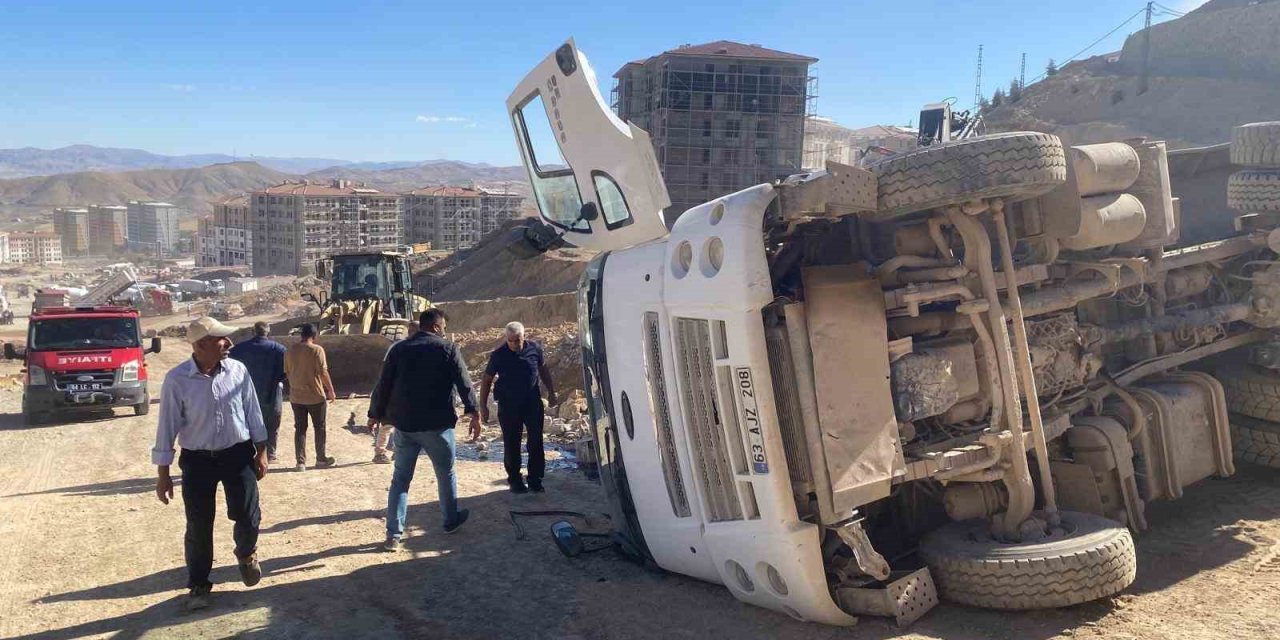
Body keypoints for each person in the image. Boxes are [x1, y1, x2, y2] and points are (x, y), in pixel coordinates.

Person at [152, 316, 268, 611]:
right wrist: (163, 474)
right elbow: (166, 426)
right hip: (198, 461)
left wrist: (262, 449)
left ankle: (246, 553)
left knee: (248, 514)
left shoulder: (238, 371)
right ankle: (199, 585)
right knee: (199, 525)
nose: (228, 343)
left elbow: (252, 411)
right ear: (202, 344)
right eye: (221, 339)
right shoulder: (178, 379)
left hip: (238, 454)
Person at [368, 308, 480, 551]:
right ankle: (450, 521)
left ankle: (393, 535)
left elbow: (383, 384)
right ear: (438, 327)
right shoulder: (448, 348)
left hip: (405, 427)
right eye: (444, 328)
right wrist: (474, 412)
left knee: (400, 479)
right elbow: (464, 382)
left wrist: (374, 414)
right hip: (438, 427)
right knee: (446, 473)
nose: (445, 332)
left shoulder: (399, 349)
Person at [479, 321, 557, 494]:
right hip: (508, 404)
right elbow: (486, 380)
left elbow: (544, 370)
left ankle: (535, 479)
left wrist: (551, 392)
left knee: (536, 441)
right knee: (512, 442)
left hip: (532, 401)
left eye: (517, 340)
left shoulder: (535, 349)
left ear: (524, 336)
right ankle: (515, 480)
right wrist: (483, 406)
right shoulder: (498, 354)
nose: (514, 344)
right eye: (510, 340)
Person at [230, 321, 288, 463]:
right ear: (268, 332)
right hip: (272, 391)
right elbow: (286, 371)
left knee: (247, 421)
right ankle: (271, 454)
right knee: (272, 422)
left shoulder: (239, 349)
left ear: (253, 331)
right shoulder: (279, 349)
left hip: (245, 392)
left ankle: (250, 452)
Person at [284, 323, 337, 471]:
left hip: (296, 396)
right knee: (319, 427)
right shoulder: (317, 350)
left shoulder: (290, 351)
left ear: (301, 335)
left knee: (300, 429)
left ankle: (300, 462)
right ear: (314, 336)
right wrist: (331, 390)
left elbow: (287, 372)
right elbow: (323, 372)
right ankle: (321, 459)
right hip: (315, 396)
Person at [369, 321, 418, 464]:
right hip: (397, 391)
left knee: (394, 425)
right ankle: (382, 453)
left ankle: (393, 452)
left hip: (399, 391)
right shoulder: (399, 347)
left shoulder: (399, 346)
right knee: (389, 424)